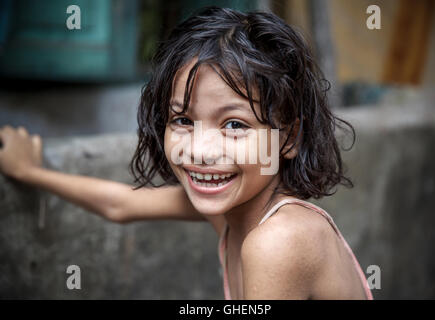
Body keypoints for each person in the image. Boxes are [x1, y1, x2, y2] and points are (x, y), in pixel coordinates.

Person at [0, 6, 373, 300]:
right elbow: (122, 205)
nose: (200, 151)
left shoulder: (278, 240)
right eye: (183, 119)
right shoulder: (233, 206)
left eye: (234, 125)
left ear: (288, 139)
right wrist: (32, 173)